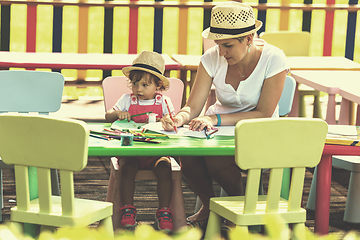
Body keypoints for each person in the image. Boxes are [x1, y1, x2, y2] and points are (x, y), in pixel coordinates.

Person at [161, 1, 288, 231]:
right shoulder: (211, 58)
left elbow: (263, 113)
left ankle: (234, 210)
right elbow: (193, 107)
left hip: (258, 133)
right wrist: (178, 118)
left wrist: (214, 119)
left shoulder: (274, 58)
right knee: (186, 154)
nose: (221, 52)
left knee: (216, 157)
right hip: (217, 131)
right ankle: (212, 206)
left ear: (249, 38)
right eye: (218, 44)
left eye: (227, 45)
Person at [105, 50, 175, 232]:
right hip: (132, 152)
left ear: (158, 85)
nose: (139, 89)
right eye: (135, 83)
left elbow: (173, 122)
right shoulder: (127, 100)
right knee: (126, 168)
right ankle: (127, 209)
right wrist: (118, 114)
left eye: (145, 84)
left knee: (165, 168)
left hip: (156, 152)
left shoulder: (163, 102)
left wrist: (167, 122)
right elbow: (108, 115)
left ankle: (164, 211)